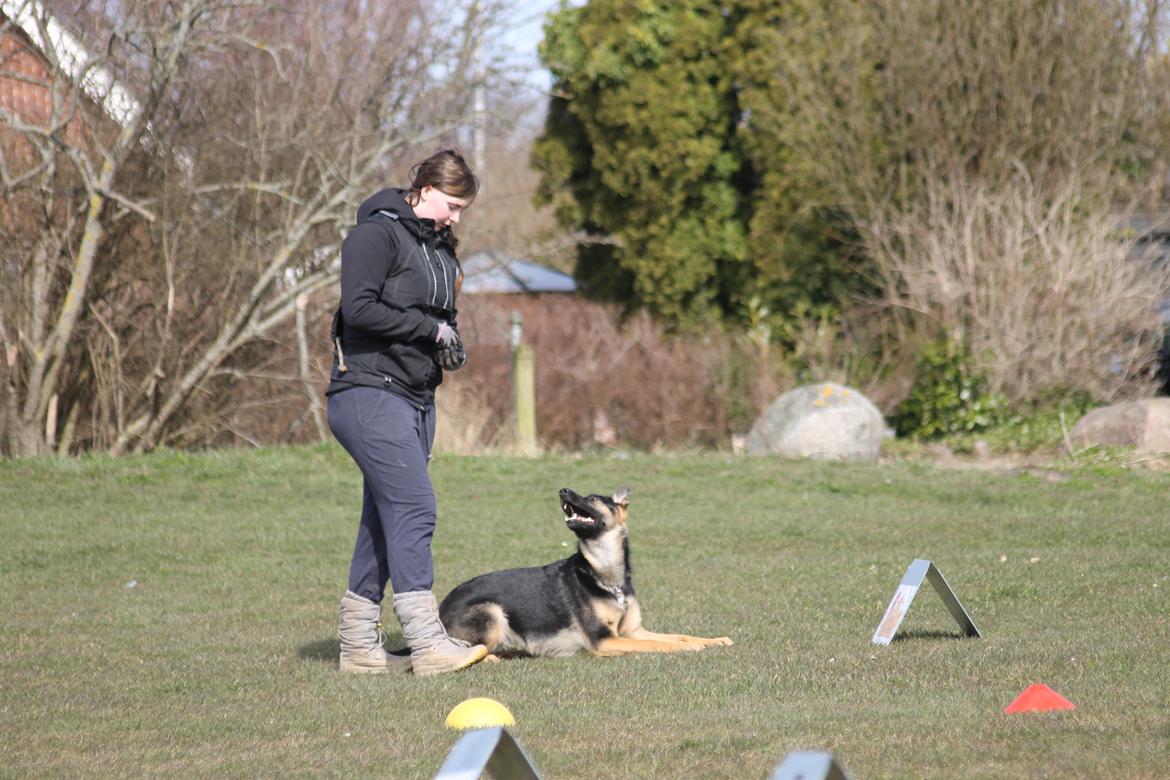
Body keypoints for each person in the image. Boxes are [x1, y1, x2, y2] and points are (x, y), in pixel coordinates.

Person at [327, 149, 487, 676]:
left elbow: (437, 316)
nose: (455, 218)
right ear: (422, 187)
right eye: (451, 205)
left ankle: (358, 649)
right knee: (416, 507)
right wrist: (427, 330)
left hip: (416, 397)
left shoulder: (437, 248)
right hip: (369, 393)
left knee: (384, 516)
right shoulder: (377, 234)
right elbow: (360, 307)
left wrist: (449, 342)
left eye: (462, 209)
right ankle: (427, 643)